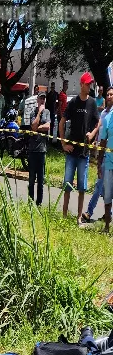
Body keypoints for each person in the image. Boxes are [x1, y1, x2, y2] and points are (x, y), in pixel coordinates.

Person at [60, 72, 100, 220]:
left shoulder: (92, 103)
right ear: (82, 84)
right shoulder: (73, 103)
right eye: (88, 83)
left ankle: (78, 217)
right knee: (67, 185)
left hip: (84, 153)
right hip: (71, 152)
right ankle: (64, 216)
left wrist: (93, 133)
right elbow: (61, 123)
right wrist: (64, 144)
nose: (89, 86)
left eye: (91, 84)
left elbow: (98, 123)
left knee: (82, 187)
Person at [81, 86, 113, 226]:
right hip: (103, 153)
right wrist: (96, 141)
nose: (109, 96)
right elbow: (101, 133)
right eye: (108, 94)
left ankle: (90, 212)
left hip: (108, 155)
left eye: (112, 94)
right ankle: (107, 215)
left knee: (100, 186)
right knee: (102, 186)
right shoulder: (104, 114)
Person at [97, 91, 113, 234]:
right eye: (108, 94)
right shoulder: (107, 118)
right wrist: (99, 162)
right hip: (108, 164)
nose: (109, 97)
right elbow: (102, 142)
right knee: (107, 196)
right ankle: (107, 227)